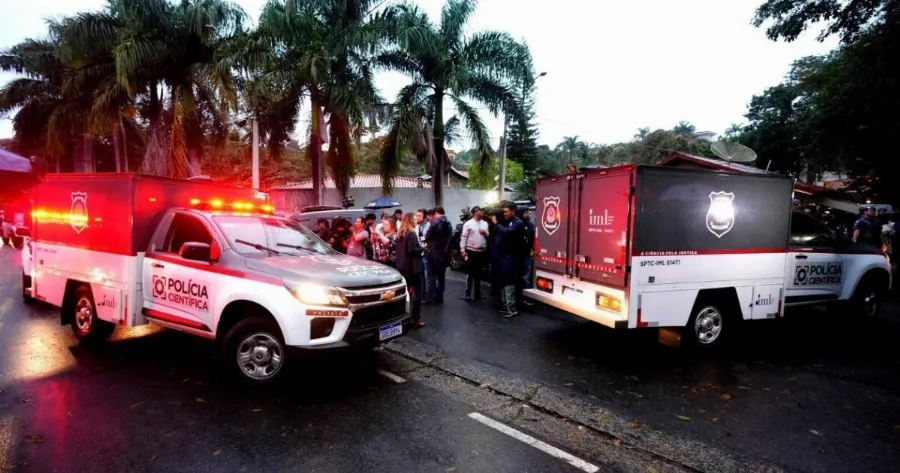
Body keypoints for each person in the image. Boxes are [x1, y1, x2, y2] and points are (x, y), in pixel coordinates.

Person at [488, 203, 525, 318]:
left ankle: (511, 308)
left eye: (506, 211)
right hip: (503, 256)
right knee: (503, 280)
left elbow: (506, 232)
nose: (504, 213)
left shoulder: (517, 223)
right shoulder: (507, 222)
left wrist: (496, 223)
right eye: (503, 211)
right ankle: (505, 306)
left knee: (509, 281)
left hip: (511, 257)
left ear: (513, 212)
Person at [396, 213, 425, 328]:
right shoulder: (411, 233)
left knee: (406, 293)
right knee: (418, 293)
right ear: (409, 220)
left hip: (403, 267)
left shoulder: (400, 233)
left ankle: (404, 317)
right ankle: (415, 319)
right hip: (413, 267)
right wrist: (422, 248)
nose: (416, 220)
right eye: (414, 218)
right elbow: (411, 250)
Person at [460, 206, 489, 300]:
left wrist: (485, 233)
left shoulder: (485, 223)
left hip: (482, 251)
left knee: (479, 273)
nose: (483, 212)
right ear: (476, 212)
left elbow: (488, 236)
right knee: (470, 273)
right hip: (471, 251)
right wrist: (462, 250)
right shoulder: (468, 224)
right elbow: (463, 237)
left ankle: (478, 293)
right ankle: (468, 293)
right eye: (481, 211)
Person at [424, 206, 452, 304]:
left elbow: (427, 236)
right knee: (441, 277)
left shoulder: (435, 222)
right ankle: (439, 297)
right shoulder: (449, 224)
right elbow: (449, 239)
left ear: (436, 213)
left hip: (433, 252)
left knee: (431, 277)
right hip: (443, 253)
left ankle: (430, 298)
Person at [519, 209, 536, 306]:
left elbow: (534, 240)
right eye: (526, 213)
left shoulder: (531, 226)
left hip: (527, 254)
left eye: (530, 213)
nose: (529, 215)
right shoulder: (519, 224)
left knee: (526, 276)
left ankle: (527, 297)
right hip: (519, 254)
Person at [416, 208, 430, 300]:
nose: (417, 217)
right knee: (420, 275)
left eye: (419, 216)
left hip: (427, 253)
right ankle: (422, 294)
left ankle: (429, 295)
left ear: (424, 217)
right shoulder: (417, 226)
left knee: (428, 275)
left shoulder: (429, 226)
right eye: (417, 215)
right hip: (419, 253)